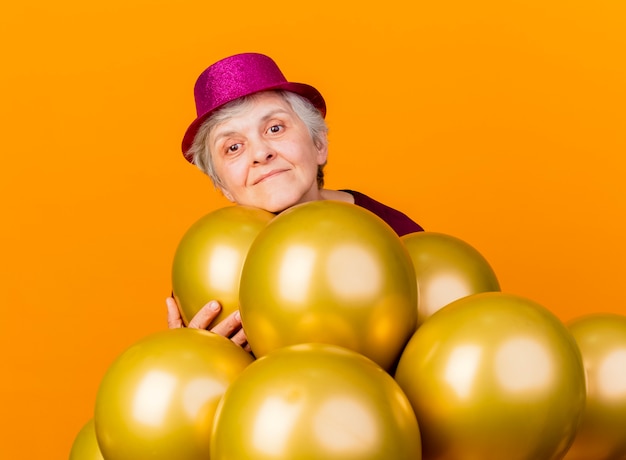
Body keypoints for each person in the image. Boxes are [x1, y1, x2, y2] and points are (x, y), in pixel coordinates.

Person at [166, 53, 423, 351]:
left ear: (318, 145)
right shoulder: (206, 270)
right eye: (233, 147)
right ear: (223, 185)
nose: (261, 153)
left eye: (275, 128)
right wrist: (196, 353)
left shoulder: (395, 233)